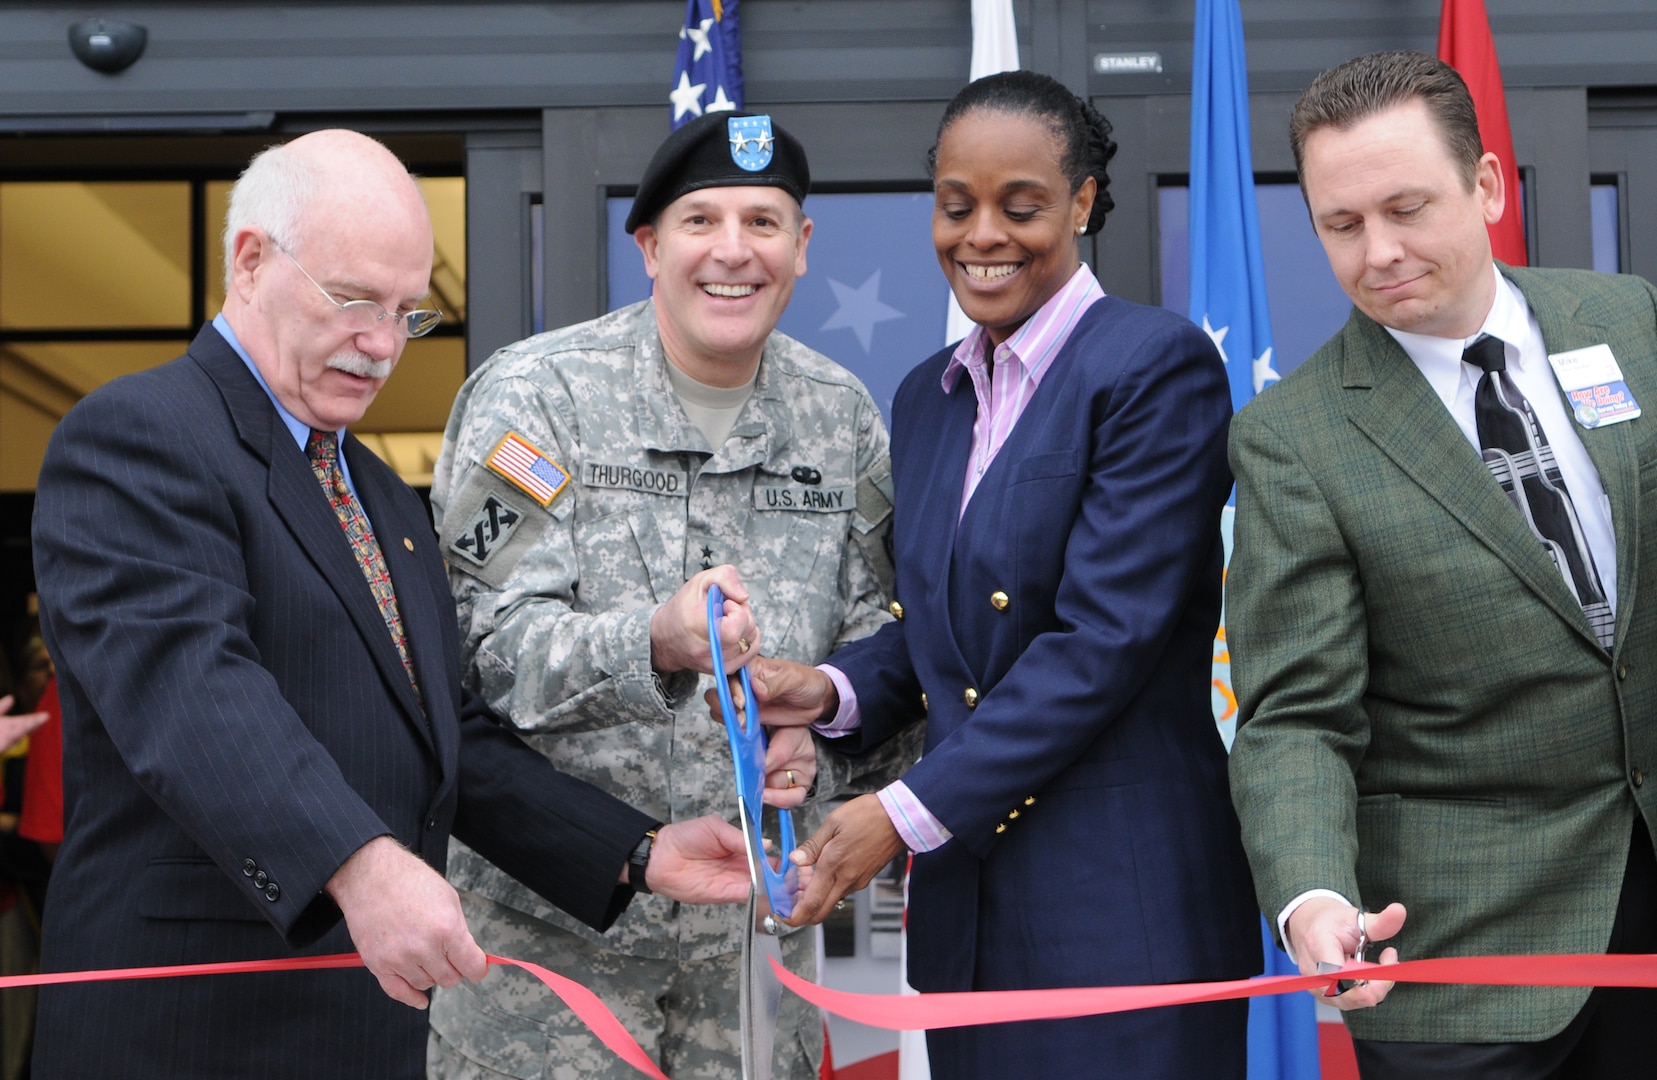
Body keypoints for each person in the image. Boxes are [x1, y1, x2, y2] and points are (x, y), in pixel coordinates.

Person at [28, 129, 755, 1080]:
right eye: (354, 300)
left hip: (365, 1025)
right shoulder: (140, 435)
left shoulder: (380, 496)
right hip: (194, 1028)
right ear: (250, 262)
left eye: (408, 313)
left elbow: (440, 736)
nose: (380, 346)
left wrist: (634, 852)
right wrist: (361, 865)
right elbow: (192, 691)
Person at [731, 70, 1261, 1079]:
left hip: (1123, 923)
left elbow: (1102, 639)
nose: (982, 235)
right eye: (955, 204)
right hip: (976, 923)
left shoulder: (1154, 366)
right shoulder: (926, 398)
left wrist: (897, 814)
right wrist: (830, 688)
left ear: (1083, 204)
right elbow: (944, 624)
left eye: (1020, 206)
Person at [426, 108, 909, 1080]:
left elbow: (882, 634)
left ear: (803, 246)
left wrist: (814, 730)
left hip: (755, 961)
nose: (733, 252)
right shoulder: (537, 397)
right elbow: (478, 652)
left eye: (763, 222)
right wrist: (653, 639)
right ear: (646, 244)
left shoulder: (840, 417)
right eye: (700, 221)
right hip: (550, 961)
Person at [1227, 50, 1657, 1078]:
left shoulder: (1629, 324)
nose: (1377, 251)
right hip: (1462, 959)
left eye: (1405, 208)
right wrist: (1314, 896)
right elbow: (1296, 715)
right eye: (1341, 224)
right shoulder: (1294, 437)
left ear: (1487, 186)